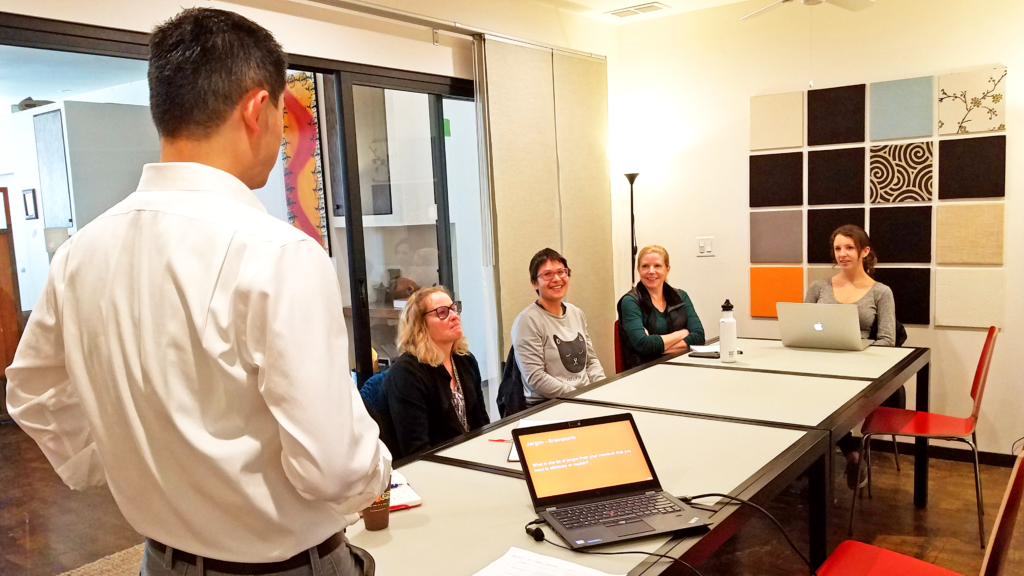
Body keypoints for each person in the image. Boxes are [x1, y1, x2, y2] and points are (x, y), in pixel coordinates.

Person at [5, 9, 389, 576]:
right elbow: (333, 468)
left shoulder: (80, 253)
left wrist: (113, 461)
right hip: (284, 566)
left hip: (160, 561)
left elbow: (31, 391)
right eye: (284, 115)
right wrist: (375, 470)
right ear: (257, 109)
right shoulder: (278, 252)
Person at [804, 224, 899, 490]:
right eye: (837, 248)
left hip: (860, 368)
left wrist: (859, 359)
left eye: (849, 247)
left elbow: (887, 341)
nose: (842, 254)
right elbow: (803, 326)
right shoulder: (818, 287)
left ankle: (837, 456)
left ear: (864, 251)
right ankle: (850, 452)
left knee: (822, 399)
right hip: (821, 362)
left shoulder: (881, 292)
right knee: (805, 394)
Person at [381, 286, 489, 459]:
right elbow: (416, 450)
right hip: (429, 468)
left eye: (453, 308)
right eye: (442, 312)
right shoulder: (406, 374)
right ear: (420, 325)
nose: (454, 315)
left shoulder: (465, 360)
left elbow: (481, 424)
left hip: (468, 459)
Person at [511, 248, 605, 405]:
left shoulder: (576, 313)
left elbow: (591, 361)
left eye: (561, 272)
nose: (556, 279)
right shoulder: (527, 321)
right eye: (547, 274)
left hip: (584, 398)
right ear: (534, 283)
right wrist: (579, 396)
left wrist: (602, 389)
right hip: (548, 404)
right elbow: (535, 377)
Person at [617, 245, 705, 369]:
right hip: (643, 372)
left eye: (657, 266)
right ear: (638, 269)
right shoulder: (630, 301)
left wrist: (657, 347)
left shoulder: (681, 296)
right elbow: (644, 345)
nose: (651, 271)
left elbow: (699, 336)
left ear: (667, 269)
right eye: (645, 266)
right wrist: (682, 333)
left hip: (681, 367)